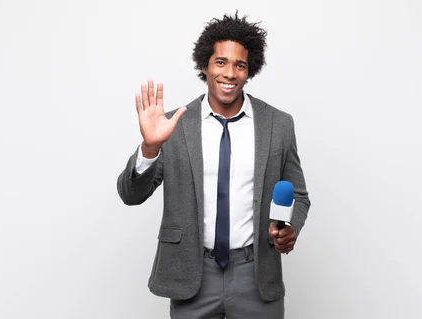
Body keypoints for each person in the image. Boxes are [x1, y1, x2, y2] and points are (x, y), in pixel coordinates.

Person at [117, 12, 310, 319]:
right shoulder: (173, 126)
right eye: (221, 62)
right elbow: (131, 194)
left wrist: (291, 229)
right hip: (193, 273)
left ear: (250, 71)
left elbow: (299, 195)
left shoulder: (279, 125)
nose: (230, 73)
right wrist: (151, 147)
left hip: (256, 273)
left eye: (240, 65)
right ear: (204, 66)